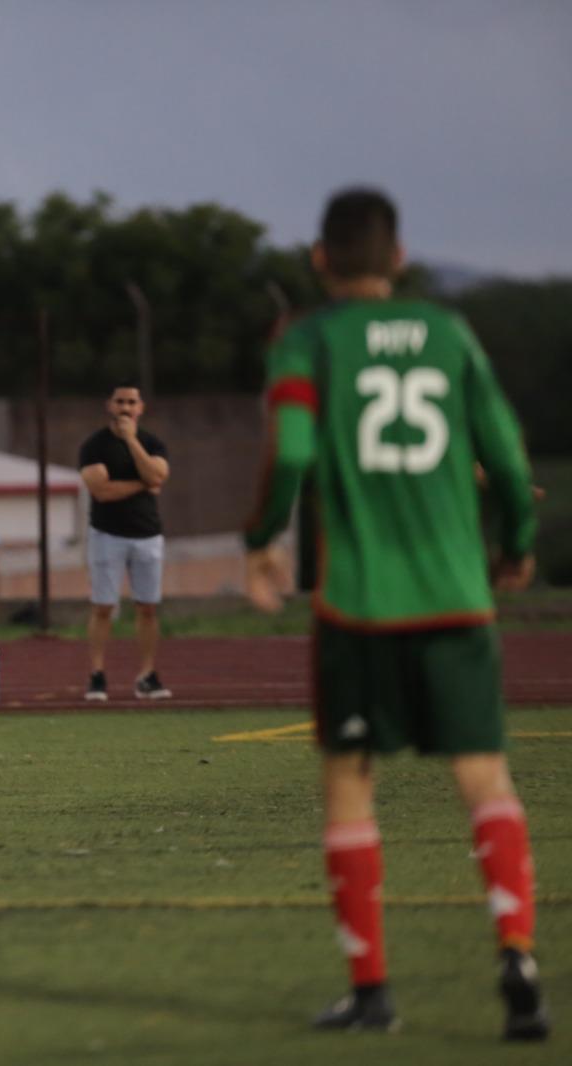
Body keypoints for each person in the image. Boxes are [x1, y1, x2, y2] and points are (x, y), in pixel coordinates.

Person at [243, 187, 547, 1040]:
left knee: (350, 782)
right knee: (484, 776)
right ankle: (516, 951)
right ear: (400, 257)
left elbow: (294, 446)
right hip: (457, 596)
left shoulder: (305, 339)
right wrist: (518, 540)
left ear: (320, 260)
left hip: (360, 606)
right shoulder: (450, 335)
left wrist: (261, 536)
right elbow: (503, 446)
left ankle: (373, 991)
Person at [77, 382, 172, 700]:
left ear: (141, 408)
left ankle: (146, 674)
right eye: (120, 401)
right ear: (110, 405)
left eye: (132, 402)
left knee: (147, 608)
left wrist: (131, 441)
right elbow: (102, 491)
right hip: (107, 536)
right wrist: (143, 484)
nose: (125, 408)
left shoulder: (151, 443)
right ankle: (97, 673)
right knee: (103, 606)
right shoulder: (94, 446)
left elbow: (158, 475)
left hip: (147, 535)